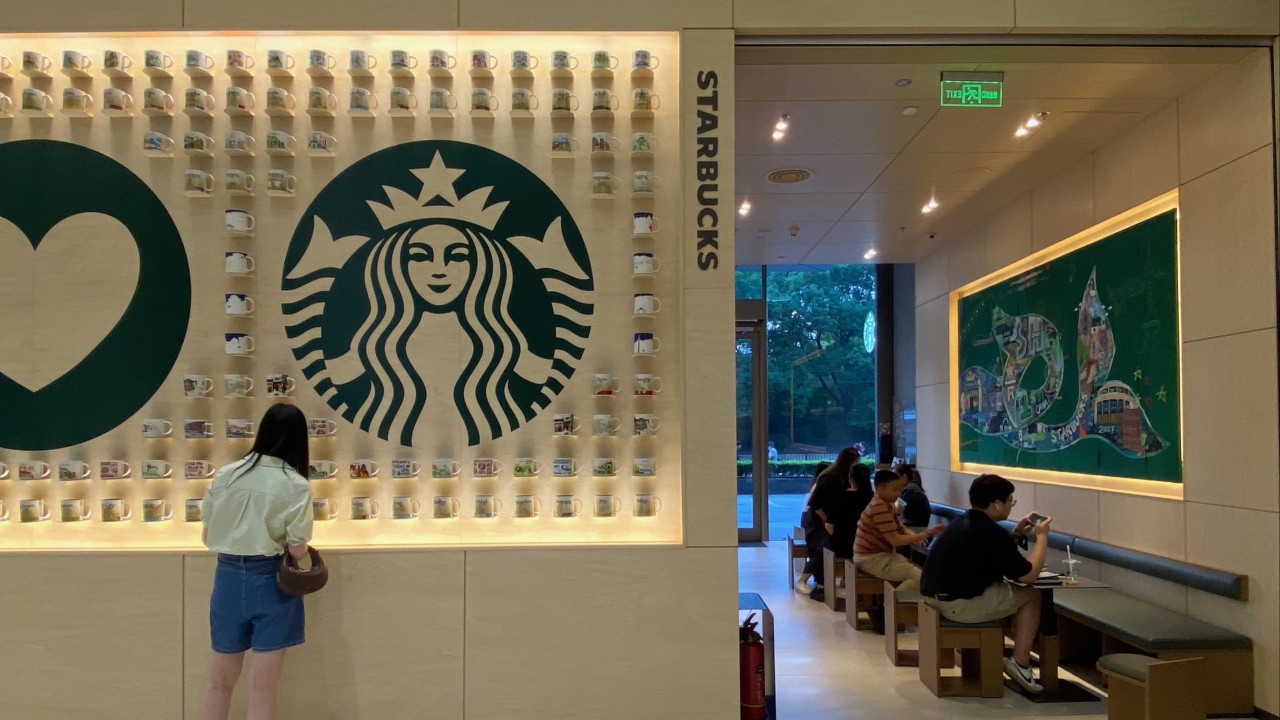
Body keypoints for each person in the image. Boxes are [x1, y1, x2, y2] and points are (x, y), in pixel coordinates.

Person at [200, 403, 315, 720]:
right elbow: (297, 550)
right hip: (270, 583)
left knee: (219, 683)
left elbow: (207, 537)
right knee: (262, 688)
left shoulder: (225, 474)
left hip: (226, 579)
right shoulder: (295, 484)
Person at [920, 474, 1052, 694]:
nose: (1011, 506)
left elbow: (992, 552)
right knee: (1032, 595)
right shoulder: (990, 532)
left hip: (935, 598)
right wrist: (1042, 538)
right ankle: (1020, 663)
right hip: (958, 605)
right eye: (1010, 501)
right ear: (996, 504)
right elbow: (1028, 576)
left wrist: (1017, 533)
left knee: (1010, 592)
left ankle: (1012, 656)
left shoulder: (964, 521)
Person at [853, 469, 945, 629]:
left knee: (917, 571)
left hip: (877, 555)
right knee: (920, 578)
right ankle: (885, 611)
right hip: (872, 558)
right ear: (880, 489)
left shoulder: (885, 505)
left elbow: (900, 527)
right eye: (895, 489)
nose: (898, 493)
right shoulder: (879, 507)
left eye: (899, 489)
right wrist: (925, 534)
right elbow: (895, 540)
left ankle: (893, 610)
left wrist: (916, 537)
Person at [807, 447, 873, 602]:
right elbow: (816, 506)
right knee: (824, 546)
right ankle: (823, 583)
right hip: (822, 525)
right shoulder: (830, 479)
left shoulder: (845, 491)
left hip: (839, 526)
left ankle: (835, 583)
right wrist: (828, 522)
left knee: (834, 545)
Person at [796, 461, 832, 594]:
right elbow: (817, 509)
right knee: (824, 546)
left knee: (823, 545)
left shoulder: (817, 484)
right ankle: (803, 580)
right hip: (811, 522)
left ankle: (819, 579)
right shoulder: (821, 487)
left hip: (809, 521)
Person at [894, 463, 932, 528]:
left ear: (904, 477)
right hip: (915, 526)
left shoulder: (910, 490)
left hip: (915, 528)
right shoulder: (912, 488)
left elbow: (897, 509)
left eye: (895, 478)